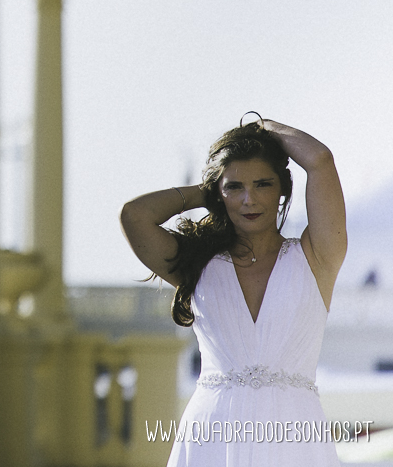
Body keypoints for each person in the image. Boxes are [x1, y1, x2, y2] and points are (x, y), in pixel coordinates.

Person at [120, 116, 347, 466]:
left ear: (282, 190)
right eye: (236, 187)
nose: (249, 199)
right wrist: (208, 191)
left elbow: (320, 160)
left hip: (294, 438)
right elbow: (134, 215)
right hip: (211, 437)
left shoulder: (317, 256)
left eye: (263, 184)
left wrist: (262, 126)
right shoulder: (197, 264)